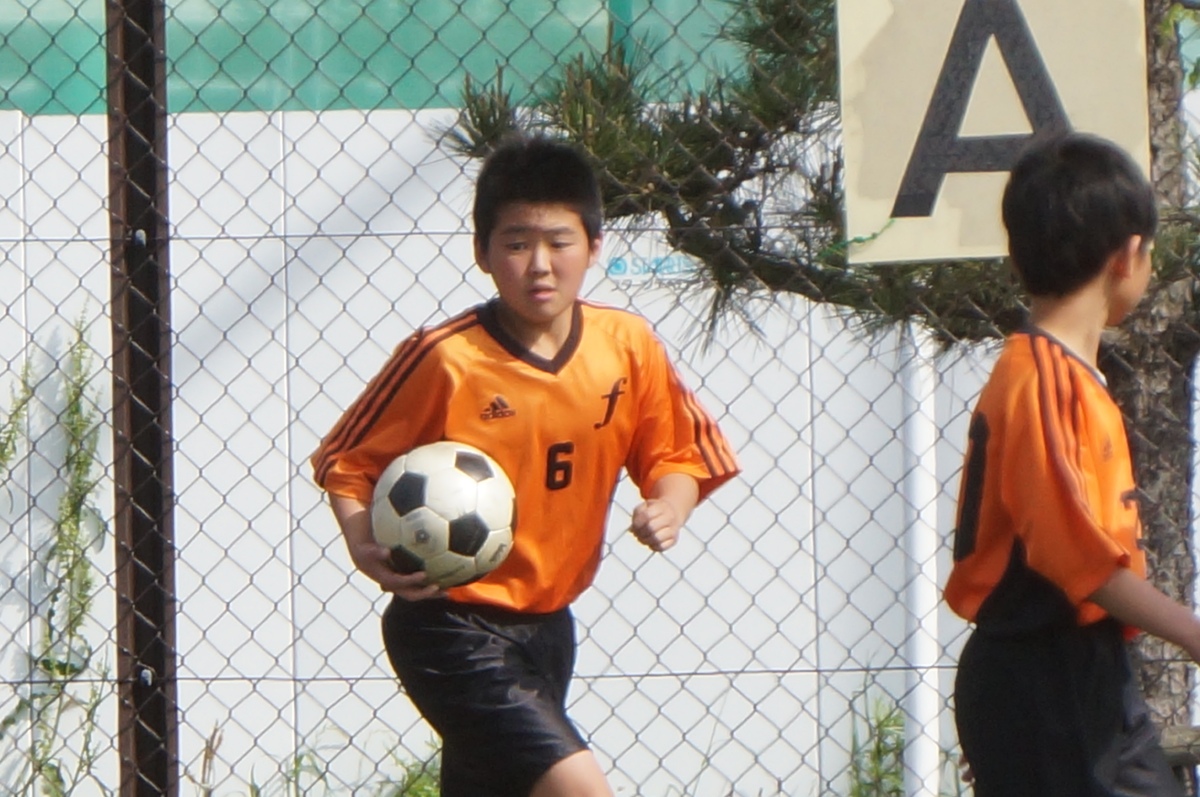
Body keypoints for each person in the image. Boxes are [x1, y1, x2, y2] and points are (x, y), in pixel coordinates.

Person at [310, 135, 740, 797]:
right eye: (516, 244)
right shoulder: (445, 358)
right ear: (482, 253)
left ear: (593, 246)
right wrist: (361, 541)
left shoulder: (626, 346)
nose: (540, 264)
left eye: (559, 242)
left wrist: (670, 505)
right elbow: (347, 460)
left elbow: (678, 455)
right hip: (450, 627)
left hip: (549, 624)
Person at [944, 131, 1200, 796]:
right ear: (1128, 255)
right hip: (1047, 672)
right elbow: (1074, 555)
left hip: (1067, 677)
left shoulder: (1060, 374)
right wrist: (1192, 631)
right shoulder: (1044, 381)